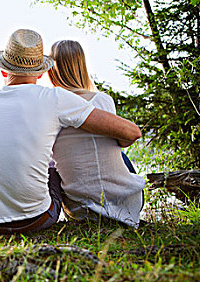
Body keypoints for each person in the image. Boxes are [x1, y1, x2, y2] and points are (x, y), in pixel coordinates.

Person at [0, 29, 141, 235]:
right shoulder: (53, 98)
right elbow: (131, 132)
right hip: (36, 220)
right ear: (41, 73)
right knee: (50, 159)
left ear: (3, 70)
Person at [49, 40, 145, 227]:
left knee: (53, 162)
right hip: (125, 206)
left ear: (52, 71)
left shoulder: (51, 107)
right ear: (82, 66)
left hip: (79, 211)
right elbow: (123, 140)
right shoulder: (103, 101)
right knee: (121, 155)